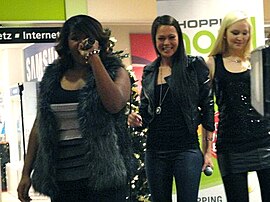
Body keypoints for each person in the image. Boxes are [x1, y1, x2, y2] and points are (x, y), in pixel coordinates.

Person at [17, 14, 132, 202]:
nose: (81, 44)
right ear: (66, 43)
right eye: (75, 38)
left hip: (104, 179)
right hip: (63, 181)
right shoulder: (52, 78)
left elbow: (114, 104)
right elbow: (40, 126)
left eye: (88, 38)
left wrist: (94, 58)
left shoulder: (114, 71)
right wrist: (25, 173)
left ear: (98, 41)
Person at [128, 15, 215, 202]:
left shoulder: (194, 66)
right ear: (154, 40)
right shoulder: (150, 71)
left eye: (171, 37)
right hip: (155, 151)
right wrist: (136, 119)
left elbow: (207, 109)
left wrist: (207, 152)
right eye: (161, 38)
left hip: (187, 149)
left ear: (179, 38)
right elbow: (146, 112)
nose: (166, 43)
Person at [206, 11, 270, 202]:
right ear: (224, 33)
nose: (240, 37)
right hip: (230, 144)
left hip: (264, 141)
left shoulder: (257, 61)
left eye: (245, 33)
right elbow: (206, 107)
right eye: (235, 32)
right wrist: (206, 149)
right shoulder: (212, 63)